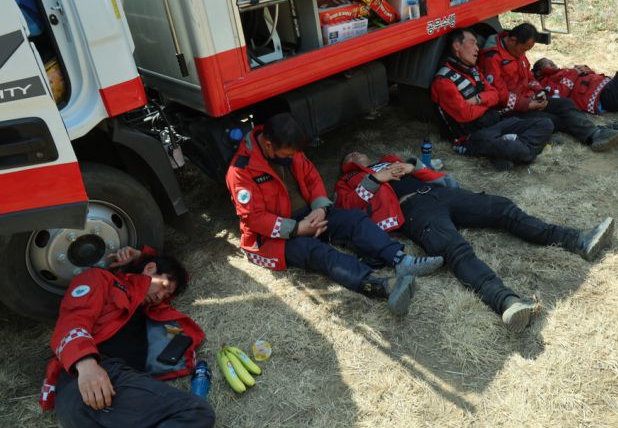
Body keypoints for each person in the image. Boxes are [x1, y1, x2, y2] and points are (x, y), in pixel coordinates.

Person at [335, 152, 615, 333]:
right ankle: (507, 303)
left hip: (437, 193)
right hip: (414, 212)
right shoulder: (348, 179)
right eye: (351, 154)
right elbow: (350, 206)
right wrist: (375, 178)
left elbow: (428, 170)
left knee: (503, 209)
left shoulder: (388, 158)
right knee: (455, 250)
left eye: (360, 152)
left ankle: (578, 240)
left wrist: (409, 166)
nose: (358, 152)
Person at [224, 113, 444, 316]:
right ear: (269, 145)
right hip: (276, 235)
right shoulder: (241, 171)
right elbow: (253, 218)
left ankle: (401, 260)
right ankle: (381, 286)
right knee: (319, 253)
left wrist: (320, 208)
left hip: (310, 214)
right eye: (287, 155)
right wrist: (297, 229)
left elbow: (312, 179)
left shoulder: (290, 149)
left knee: (354, 220)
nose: (292, 158)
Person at [40, 246, 215, 428]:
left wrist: (141, 257)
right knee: (195, 412)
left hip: (112, 396)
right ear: (149, 269)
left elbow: (184, 276)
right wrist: (87, 365)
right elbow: (73, 319)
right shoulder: (101, 279)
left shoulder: (145, 307)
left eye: (167, 296)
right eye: (163, 287)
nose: (161, 297)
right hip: (92, 377)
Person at [479, 23, 618, 151]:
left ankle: (598, 133)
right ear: (512, 40)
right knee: (553, 120)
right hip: (510, 110)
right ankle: (597, 133)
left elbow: (529, 76)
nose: (524, 53)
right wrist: (527, 104)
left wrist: (539, 92)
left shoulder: (516, 50)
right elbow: (499, 95)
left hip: (529, 100)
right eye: (524, 49)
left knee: (565, 104)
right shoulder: (492, 59)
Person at [430, 28, 555, 171]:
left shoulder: (474, 71)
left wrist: (477, 99)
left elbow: (495, 96)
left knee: (546, 123)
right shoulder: (443, 81)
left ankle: (509, 149)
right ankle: (517, 148)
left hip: (496, 124)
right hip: (473, 137)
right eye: (472, 43)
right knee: (515, 148)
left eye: (477, 44)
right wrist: (485, 103)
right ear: (457, 46)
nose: (477, 49)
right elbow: (464, 114)